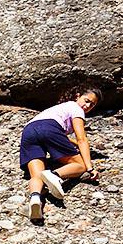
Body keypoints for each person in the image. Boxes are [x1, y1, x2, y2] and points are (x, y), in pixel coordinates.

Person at [19, 87, 102, 220]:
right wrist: (90, 167)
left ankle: (35, 198)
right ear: (77, 96)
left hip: (28, 131)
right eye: (86, 101)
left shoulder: (58, 109)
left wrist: (72, 143)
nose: (87, 106)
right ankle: (53, 175)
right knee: (80, 165)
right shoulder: (76, 108)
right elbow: (82, 139)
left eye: (92, 105)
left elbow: (60, 135)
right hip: (49, 129)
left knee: (36, 175)